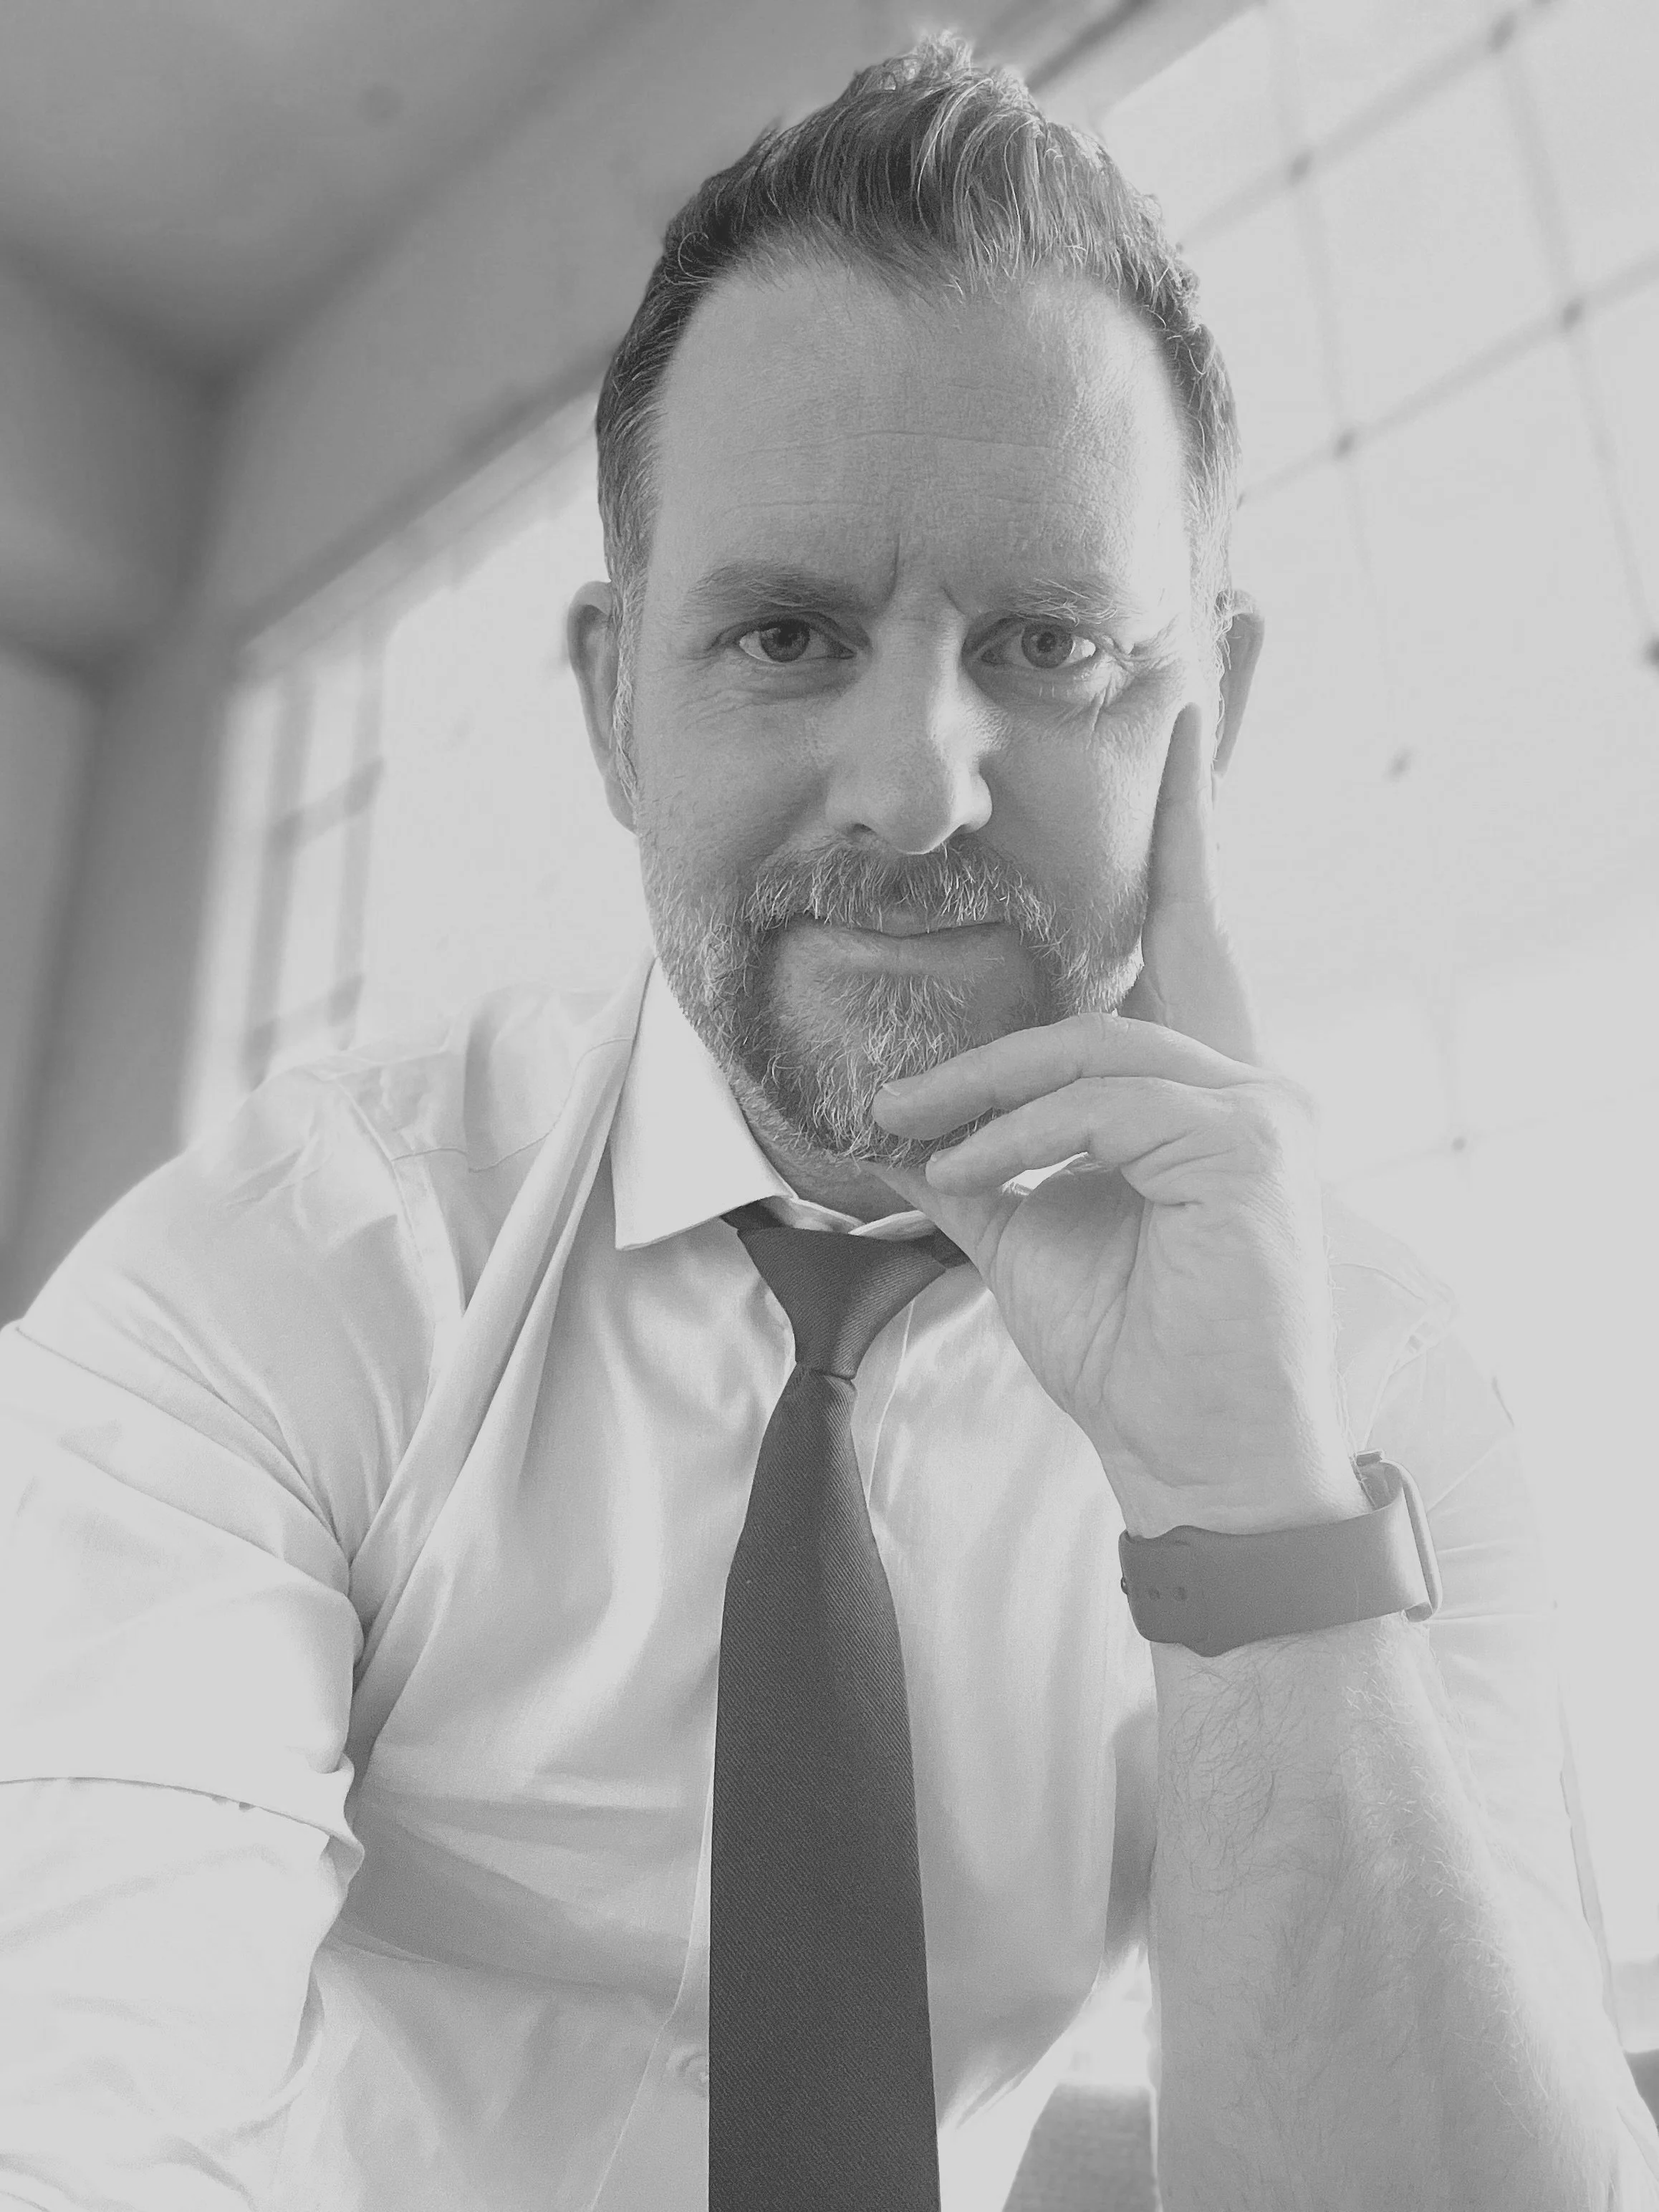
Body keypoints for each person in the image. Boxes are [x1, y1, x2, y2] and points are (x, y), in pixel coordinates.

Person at [1, 32, 1654, 2212]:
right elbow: (72, 2111)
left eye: (1049, 645)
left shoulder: (1382, 1401)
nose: (914, 783)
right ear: (614, 703)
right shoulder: (277, 1285)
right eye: (786, 635)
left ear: (1207, 719)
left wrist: (1242, 1505)